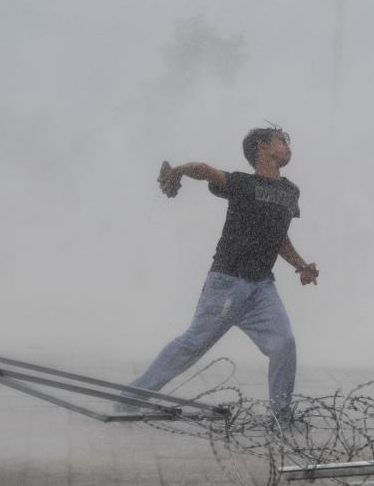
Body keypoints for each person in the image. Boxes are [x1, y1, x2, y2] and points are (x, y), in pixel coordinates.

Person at [127, 126, 319, 419]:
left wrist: (301, 266)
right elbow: (204, 170)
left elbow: (279, 237)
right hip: (227, 283)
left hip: (262, 289)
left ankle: (282, 417)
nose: (289, 147)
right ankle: (132, 396)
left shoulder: (290, 192)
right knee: (191, 345)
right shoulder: (242, 183)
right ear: (263, 147)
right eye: (282, 141)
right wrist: (177, 171)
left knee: (284, 344)